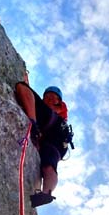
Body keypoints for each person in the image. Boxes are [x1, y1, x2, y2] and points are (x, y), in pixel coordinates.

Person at [15, 76, 70, 208]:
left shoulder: (53, 110)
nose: (50, 99)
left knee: (21, 86)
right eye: (48, 97)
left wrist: (34, 121)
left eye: (53, 98)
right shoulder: (53, 109)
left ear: (58, 102)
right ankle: (46, 194)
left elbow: (25, 91)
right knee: (48, 160)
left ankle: (33, 123)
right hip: (57, 143)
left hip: (54, 128)